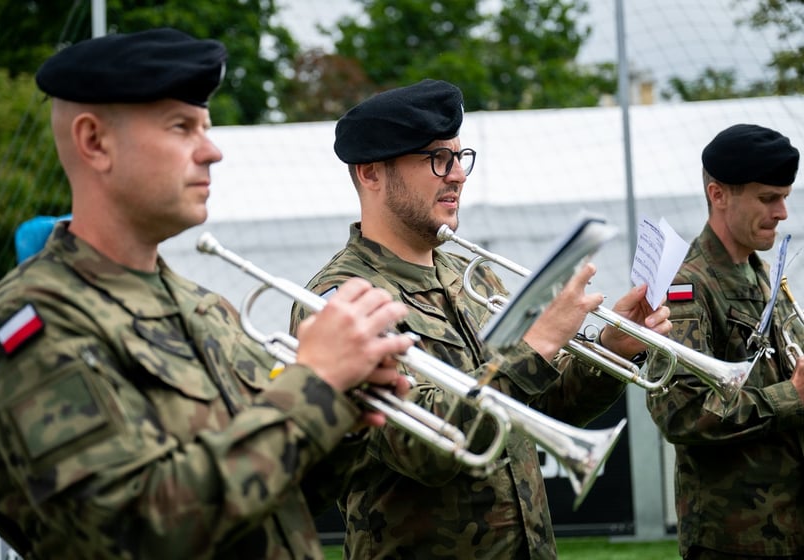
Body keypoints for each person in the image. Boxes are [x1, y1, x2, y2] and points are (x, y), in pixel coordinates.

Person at [0, 28, 416, 559]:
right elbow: (137, 528)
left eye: (206, 126)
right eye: (182, 127)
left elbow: (277, 495)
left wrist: (346, 407)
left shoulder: (206, 308)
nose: (213, 150)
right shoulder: (32, 321)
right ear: (94, 142)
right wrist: (313, 385)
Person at [289, 79, 672, 559]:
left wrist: (608, 352)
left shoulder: (473, 275)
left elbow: (538, 406)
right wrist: (533, 347)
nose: (457, 176)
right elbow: (421, 448)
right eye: (436, 159)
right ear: (370, 173)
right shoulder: (341, 300)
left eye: (459, 157)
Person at [646, 124, 804, 559]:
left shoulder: (760, 274)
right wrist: (791, 397)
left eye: (785, 196)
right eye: (768, 198)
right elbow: (680, 412)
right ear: (719, 195)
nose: (782, 212)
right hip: (735, 540)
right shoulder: (686, 287)